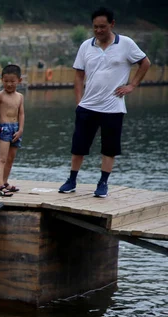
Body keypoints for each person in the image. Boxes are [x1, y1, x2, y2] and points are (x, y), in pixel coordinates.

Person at [58, 7, 150, 198]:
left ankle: (103, 183)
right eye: (95, 27)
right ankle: (72, 180)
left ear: (112, 24)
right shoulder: (86, 46)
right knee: (78, 146)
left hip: (113, 107)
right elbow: (78, 75)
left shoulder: (126, 44)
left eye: (103, 27)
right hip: (87, 106)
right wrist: (78, 101)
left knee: (109, 148)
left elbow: (145, 63)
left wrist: (132, 85)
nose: (99, 31)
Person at [0, 64, 25, 197]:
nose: (9, 84)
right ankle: (0, 186)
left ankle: (5, 182)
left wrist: (20, 129)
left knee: (10, 158)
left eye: (12, 81)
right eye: (6, 81)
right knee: (2, 158)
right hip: (5, 129)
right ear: (2, 79)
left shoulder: (20, 96)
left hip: (15, 129)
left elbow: (21, 114)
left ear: (19, 81)